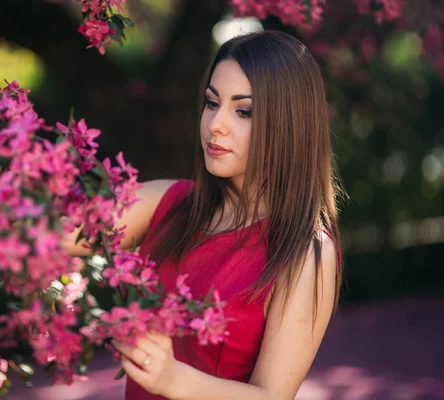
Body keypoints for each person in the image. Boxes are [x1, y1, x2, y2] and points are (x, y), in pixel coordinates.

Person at [65, 29, 343, 400]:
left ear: (289, 124)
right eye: (212, 103)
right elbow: (56, 234)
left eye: (243, 111)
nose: (215, 125)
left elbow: (273, 395)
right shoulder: (168, 202)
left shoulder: (305, 250)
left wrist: (171, 380)